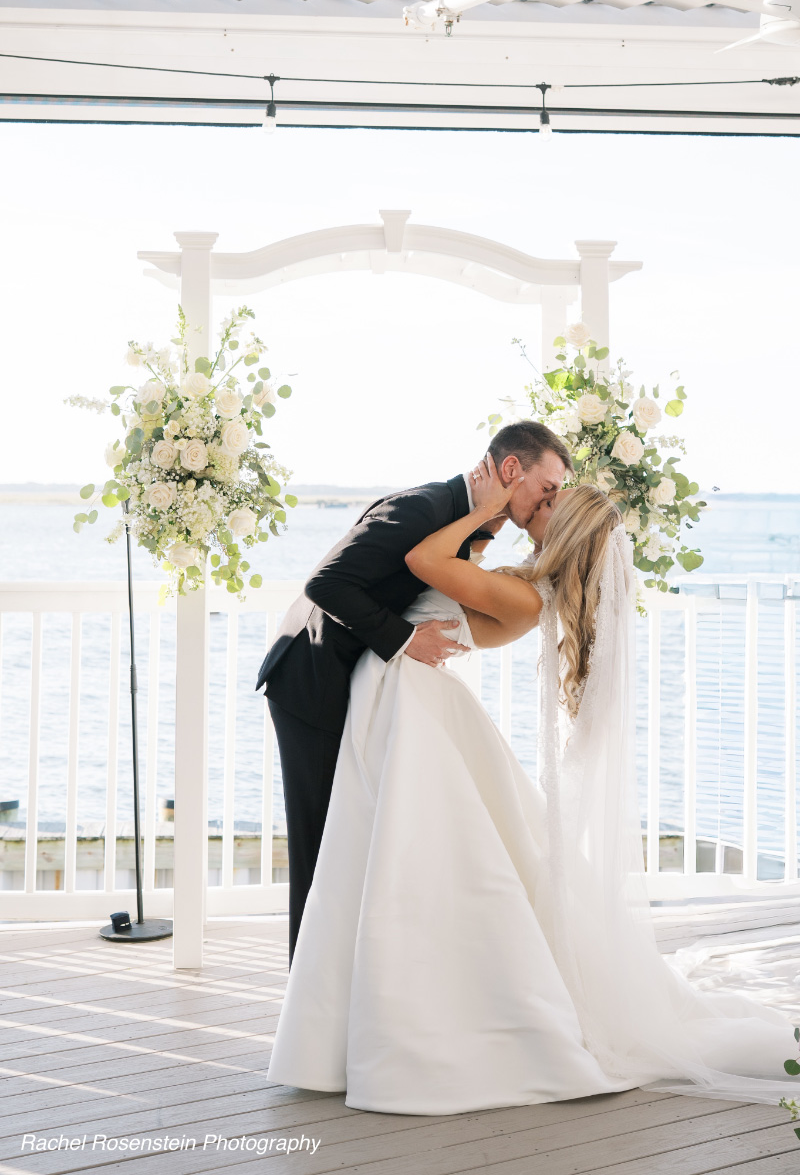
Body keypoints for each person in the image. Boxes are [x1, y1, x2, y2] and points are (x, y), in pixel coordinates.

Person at [265, 462, 800, 1115]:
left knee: (404, 870)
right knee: (387, 867)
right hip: (403, 700)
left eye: (547, 504)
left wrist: (480, 509)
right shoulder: (519, 584)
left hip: (414, 705)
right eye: (543, 492)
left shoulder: (523, 599)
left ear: (562, 531)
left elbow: (423, 558)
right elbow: (433, 572)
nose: (533, 506)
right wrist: (489, 524)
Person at [255, 420, 572, 964]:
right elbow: (325, 584)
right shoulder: (424, 509)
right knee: (318, 850)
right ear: (512, 470)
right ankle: (304, 1007)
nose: (553, 499)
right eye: (548, 488)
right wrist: (405, 640)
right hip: (312, 683)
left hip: (358, 692)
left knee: (350, 851)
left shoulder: (467, 526)